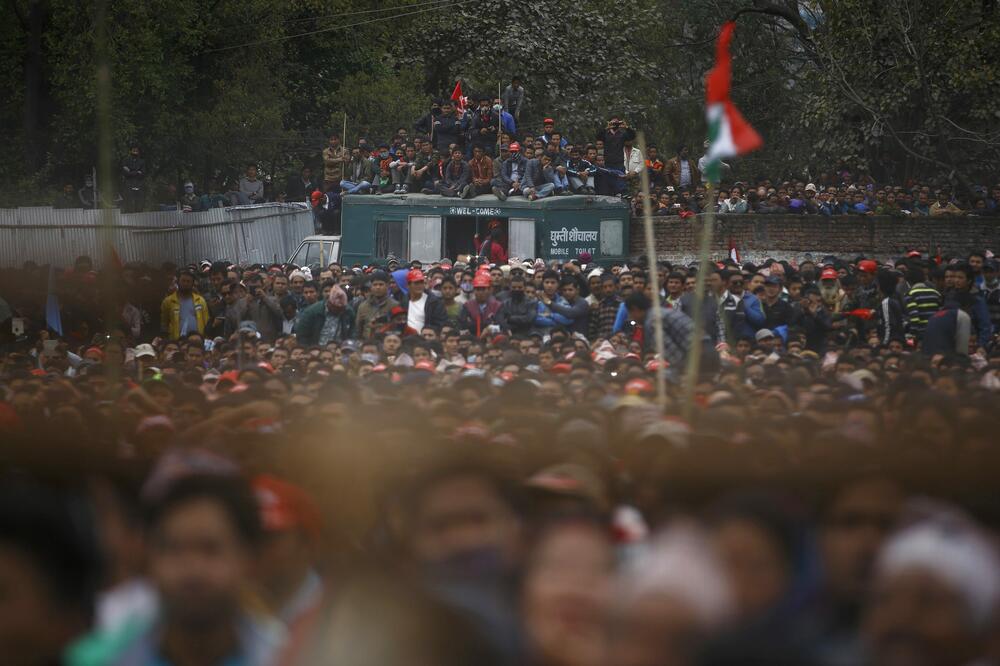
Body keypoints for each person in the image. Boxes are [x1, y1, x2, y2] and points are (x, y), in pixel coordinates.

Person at [110, 474, 283, 666]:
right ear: (148, 558)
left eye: (210, 549)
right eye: (174, 548)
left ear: (249, 559)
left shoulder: (287, 658)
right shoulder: (109, 659)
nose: (192, 569)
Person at [160, 270, 209, 339]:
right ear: (178, 282)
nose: (185, 284)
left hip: (197, 341)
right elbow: (164, 324)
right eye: (183, 281)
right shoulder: (168, 301)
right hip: (176, 342)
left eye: (188, 281)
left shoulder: (200, 300)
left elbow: (206, 322)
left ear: (192, 284)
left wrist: (206, 338)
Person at [458, 273, 507, 337]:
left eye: (483, 289)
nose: (480, 292)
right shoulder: (467, 306)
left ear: (490, 290)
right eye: (478, 289)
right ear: (474, 290)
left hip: (492, 338)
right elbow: (463, 325)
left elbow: (502, 326)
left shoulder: (497, 306)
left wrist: (489, 328)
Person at [355, 271, 398, 340]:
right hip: (367, 344)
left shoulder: (394, 305)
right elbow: (358, 329)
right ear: (371, 286)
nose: (378, 287)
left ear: (387, 286)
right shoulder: (363, 306)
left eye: (381, 284)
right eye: (375, 285)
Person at [121, 145, 146, 213]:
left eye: (136, 151)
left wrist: (130, 171)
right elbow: (125, 173)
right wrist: (137, 172)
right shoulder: (126, 160)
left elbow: (143, 174)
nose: (135, 152)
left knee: (139, 203)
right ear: (130, 151)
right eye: (133, 150)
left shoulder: (142, 161)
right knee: (129, 202)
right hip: (128, 184)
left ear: (139, 152)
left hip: (139, 184)